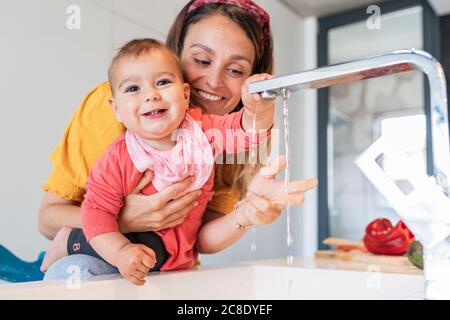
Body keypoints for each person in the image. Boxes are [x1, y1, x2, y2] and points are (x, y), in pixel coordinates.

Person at [39, 0, 318, 280]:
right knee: (73, 271)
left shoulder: (206, 131)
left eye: (235, 70)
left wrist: (245, 214)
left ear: (184, 93)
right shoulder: (122, 131)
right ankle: (74, 240)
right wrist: (123, 222)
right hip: (117, 254)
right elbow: (52, 217)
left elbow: (198, 240)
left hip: (171, 265)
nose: (214, 81)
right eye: (201, 60)